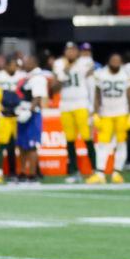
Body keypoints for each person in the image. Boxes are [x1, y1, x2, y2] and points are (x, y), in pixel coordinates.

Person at [88, 53, 130, 184]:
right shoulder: (101, 74)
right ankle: (100, 173)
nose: (115, 62)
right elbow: (97, 95)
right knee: (102, 144)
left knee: (121, 144)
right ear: (108, 61)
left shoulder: (127, 74)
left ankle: (117, 173)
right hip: (105, 114)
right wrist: (96, 113)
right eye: (113, 60)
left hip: (122, 113)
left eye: (117, 60)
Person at [53, 42, 96, 183]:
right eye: (68, 50)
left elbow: (91, 83)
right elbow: (56, 86)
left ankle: (95, 170)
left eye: (73, 50)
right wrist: (66, 69)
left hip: (81, 103)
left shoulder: (85, 62)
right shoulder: (59, 63)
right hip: (65, 104)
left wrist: (91, 105)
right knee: (70, 140)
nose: (70, 53)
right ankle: (74, 171)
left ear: (77, 52)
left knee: (87, 138)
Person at [0, 57, 25, 184]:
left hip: (16, 115)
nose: (15, 68)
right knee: (2, 145)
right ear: (7, 66)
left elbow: (22, 93)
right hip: (3, 115)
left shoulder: (20, 77)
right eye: (13, 65)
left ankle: (13, 173)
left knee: (12, 145)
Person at [15, 56, 48, 183]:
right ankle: (22, 172)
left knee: (32, 145)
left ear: (34, 63)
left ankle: (32, 174)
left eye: (28, 61)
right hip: (23, 111)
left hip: (32, 114)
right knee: (22, 145)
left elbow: (38, 97)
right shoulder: (26, 77)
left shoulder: (38, 78)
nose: (25, 63)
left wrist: (29, 111)